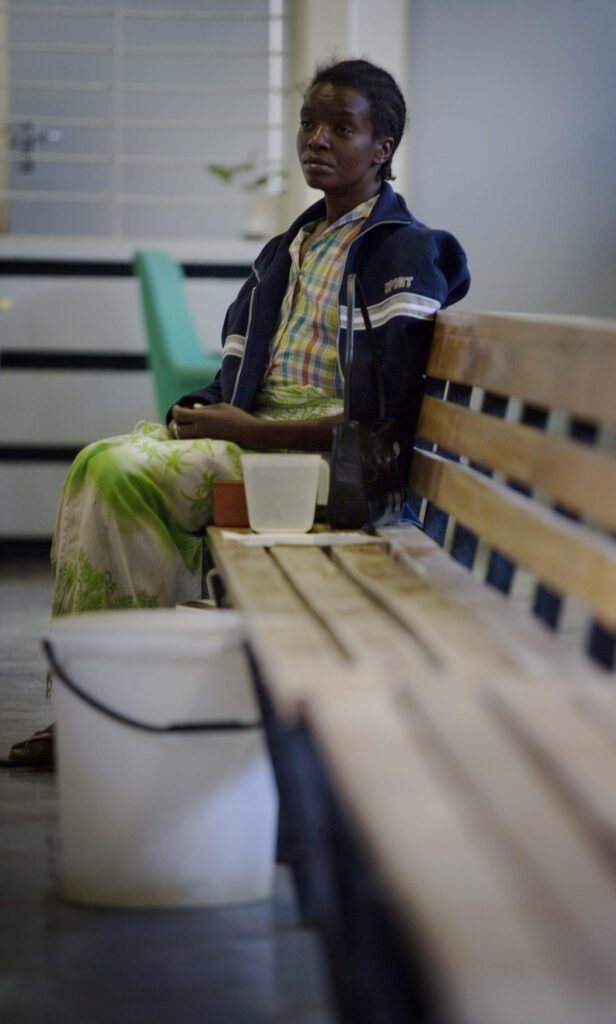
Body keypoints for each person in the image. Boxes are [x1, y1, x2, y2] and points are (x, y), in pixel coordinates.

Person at [9, 57, 470, 765]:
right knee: (108, 466)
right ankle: (114, 702)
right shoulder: (284, 251)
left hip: (330, 463)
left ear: (382, 149)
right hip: (263, 446)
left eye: (340, 127)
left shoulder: (402, 250)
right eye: (308, 124)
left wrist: (256, 432)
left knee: (117, 472)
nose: (316, 139)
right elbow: (236, 378)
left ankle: (113, 708)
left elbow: (390, 419)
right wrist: (205, 412)